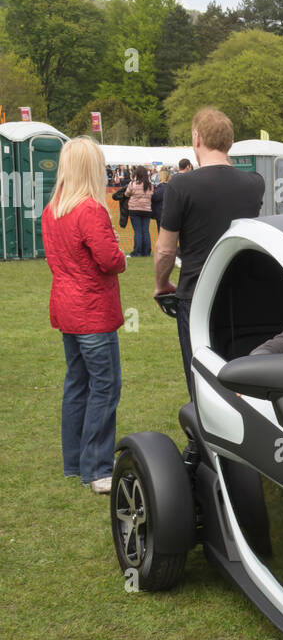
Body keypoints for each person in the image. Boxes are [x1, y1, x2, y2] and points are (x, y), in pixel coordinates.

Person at [154, 107, 265, 395]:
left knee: (201, 376)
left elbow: (165, 251)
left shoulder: (180, 185)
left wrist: (161, 284)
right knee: (241, 376)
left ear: (197, 137)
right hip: (244, 294)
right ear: (229, 141)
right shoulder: (254, 183)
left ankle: (202, 438)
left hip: (198, 293)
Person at [41, 138, 127, 494]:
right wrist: (120, 255)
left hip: (67, 306)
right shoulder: (89, 209)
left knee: (78, 384)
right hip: (91, 310)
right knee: (105, 386)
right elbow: (109, 260)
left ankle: (75, 461)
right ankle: (96, 468)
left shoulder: (54, 209)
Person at [126, 165, 153, 256]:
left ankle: (137, 252)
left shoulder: (132, 184)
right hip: (146, 210)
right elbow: (152, 195)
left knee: (137, 231)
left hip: (134, 209)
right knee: (145, 231)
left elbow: (127, 194)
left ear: (137, 174)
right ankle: (146, 252)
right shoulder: (150, 185)